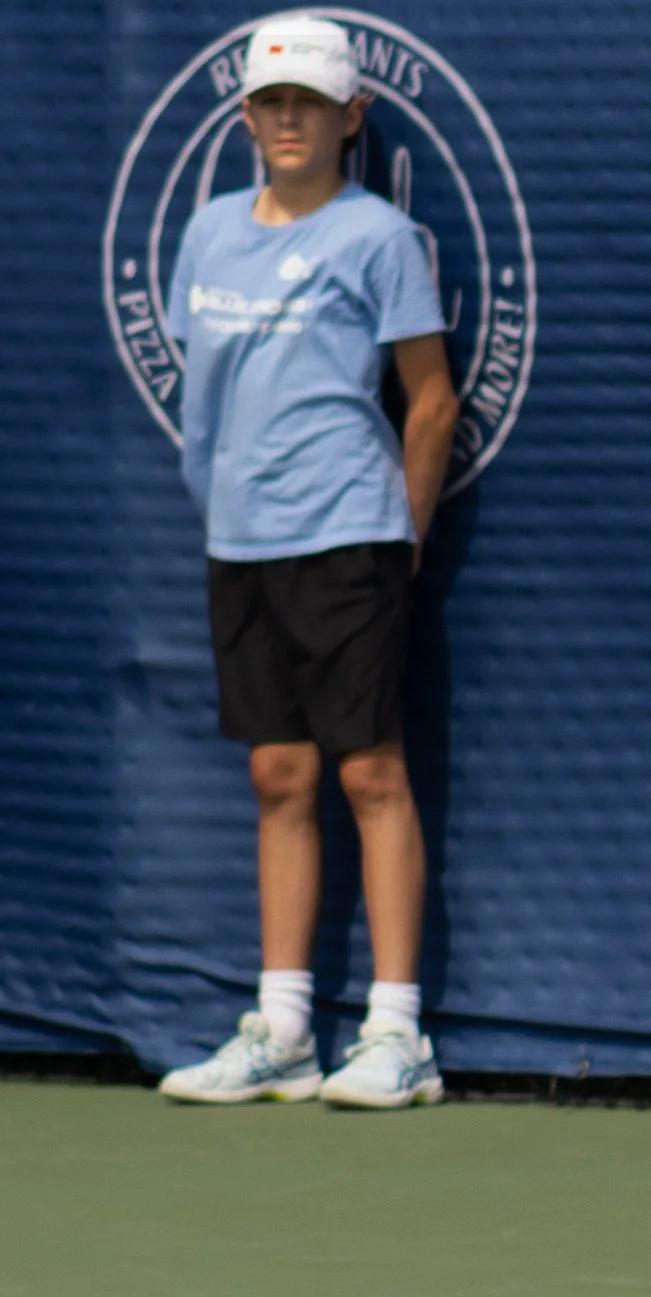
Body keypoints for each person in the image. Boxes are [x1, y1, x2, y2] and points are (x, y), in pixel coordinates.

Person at [154, 15, 457, 1110]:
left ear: (350, 119)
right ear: (246, 116)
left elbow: (431, 399)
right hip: (239, 540)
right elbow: (212, 397)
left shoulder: (378, 238)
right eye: (271, 103)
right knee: (278, 775)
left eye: (311, 105)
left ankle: (397, 1031)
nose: (290, 121)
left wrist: (402, 532)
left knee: (370, 773)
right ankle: (283, 1028)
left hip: (348, 535)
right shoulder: (209, 234)